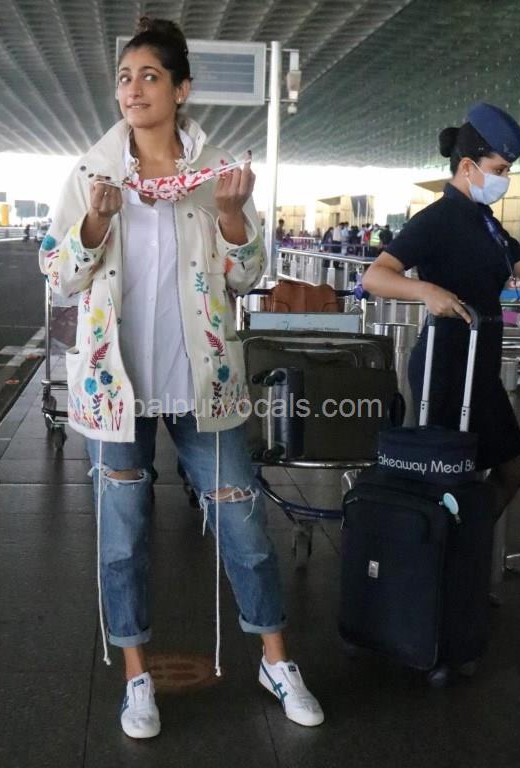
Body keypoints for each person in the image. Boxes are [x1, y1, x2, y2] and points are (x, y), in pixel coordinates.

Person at [39, 16, 323, 740]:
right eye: (124, 78)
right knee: (121, 537)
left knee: (244, 525)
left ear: (181, 89)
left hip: (203, 385)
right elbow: (58, 273)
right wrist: (93, 227)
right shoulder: (90, 174)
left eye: (150, 76)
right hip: (115, 390)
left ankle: (276, 660)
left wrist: (230, 217)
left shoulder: (218, 175)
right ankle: (136, 676)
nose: (133, 89)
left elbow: (249, 274)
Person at [363, 102, 520, 519]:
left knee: (512, 469)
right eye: (499, 170)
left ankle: (464, 540)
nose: (504, 180)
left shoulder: (486, 222)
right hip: (446, 365)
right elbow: (376, 276)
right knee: (453, 475)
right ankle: (444, 546)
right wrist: (425, 290)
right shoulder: (437, 219)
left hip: (479, 365)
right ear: (467, 166)